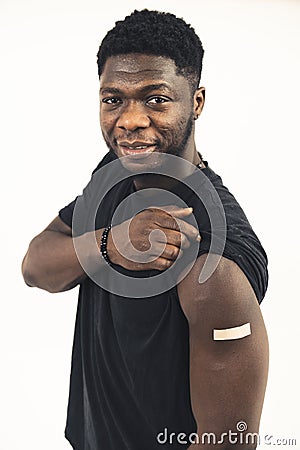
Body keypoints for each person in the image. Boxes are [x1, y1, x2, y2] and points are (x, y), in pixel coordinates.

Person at [21, 9, 269, 450]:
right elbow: (36, 266)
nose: (130, 120)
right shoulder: (116, 172)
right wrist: (109, 244)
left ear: (196, 102)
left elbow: (227, 444)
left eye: (155, 99)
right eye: (113, 99)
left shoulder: (213, 269)